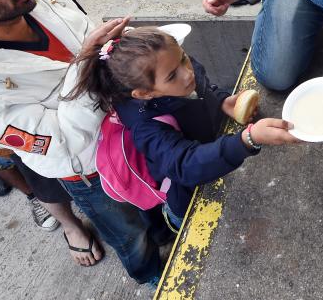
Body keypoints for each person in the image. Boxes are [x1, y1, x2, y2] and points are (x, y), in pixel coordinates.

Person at [0, 0, 163, 283]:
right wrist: (87, 62)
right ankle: (149, 274)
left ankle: (163, 230)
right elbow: (61, 141)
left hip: (132, 131)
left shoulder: (46, 3)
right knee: (130, 236)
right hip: (90, 172)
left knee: (156, 204)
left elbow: (105, 54)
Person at [70, 25, 299, 232]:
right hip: (187, 198)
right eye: (172, 75)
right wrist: (247, 140)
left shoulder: (175, 69)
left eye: (183, 58)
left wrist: (221, 101)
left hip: (212, 154)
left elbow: (203, 89)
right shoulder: (147, 128)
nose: (187, 72)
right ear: (145, 94)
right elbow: (185, 164)